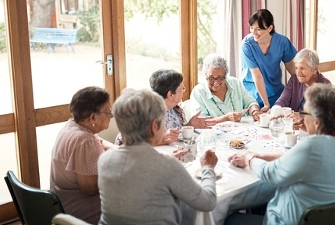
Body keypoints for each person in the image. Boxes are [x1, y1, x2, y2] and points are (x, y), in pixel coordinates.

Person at [226, 83, 335, 225]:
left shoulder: (312, 147)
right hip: (331, 218)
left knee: (229, 218)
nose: (302, 118)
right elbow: (301, 159)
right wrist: (260, 155)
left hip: (286, 221)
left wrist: (248, 158)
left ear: (317, 122)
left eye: (304, 113)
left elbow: (270, 173)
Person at [98, 88, 218, 224]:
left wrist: (166, 162)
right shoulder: (167, 166)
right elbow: (208, 203)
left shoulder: (104, 160)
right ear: (155, 126)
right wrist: (208, 167)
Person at [50, 86, 116, 224]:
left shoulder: (72, 126)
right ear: (93, 117)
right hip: (83, 213)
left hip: (63, 204)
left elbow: (100, 141)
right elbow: (90, 188)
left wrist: (120, 150)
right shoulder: (84, 141)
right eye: (108, 112)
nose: (111, 116)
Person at [115, 69, 215, 145]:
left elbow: (176, 134)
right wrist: (161, 140)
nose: (184, 92)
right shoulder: (145, 112)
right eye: (182, 89)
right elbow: (123, 143)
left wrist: (189, 125)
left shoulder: (176, 110)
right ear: (170, 94)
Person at [241, 9, 298, 111]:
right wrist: (266, 104)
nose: (254, 32)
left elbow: (291, 67)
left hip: (276, 91)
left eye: (258, 29)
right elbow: (257, 76)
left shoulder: (282, 42)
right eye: (251, 28)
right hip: (253, 91)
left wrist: (305, 82)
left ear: (270, 28)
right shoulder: (247, 45)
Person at [191, 54, 261, 123]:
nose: (215, 82)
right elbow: (200, 122)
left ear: (225, 76)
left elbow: (250, 102)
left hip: (240, 129)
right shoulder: (198, 92)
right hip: (214, 132)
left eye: (219, 78)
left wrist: (255, 111)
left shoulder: (235, 83)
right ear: (205, 76)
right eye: (211, 78)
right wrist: (226, 118)